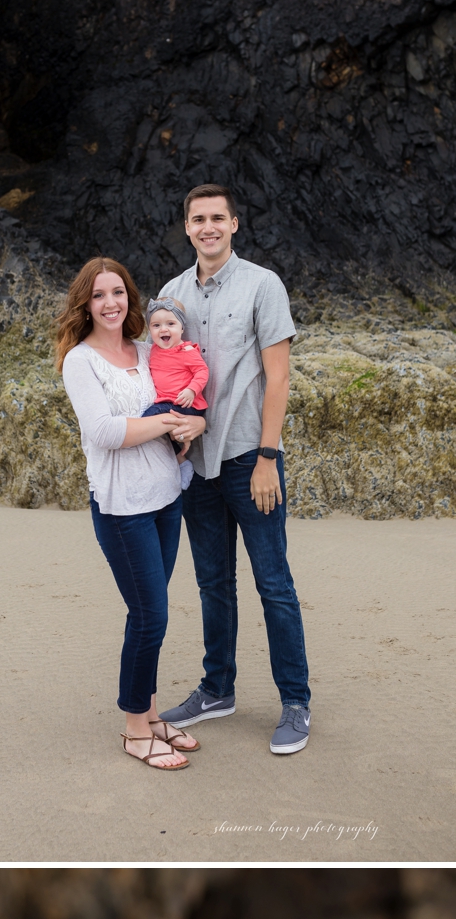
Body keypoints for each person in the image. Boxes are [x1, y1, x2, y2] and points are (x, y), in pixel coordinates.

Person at [155, 184, 313, 757]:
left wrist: (269, 457)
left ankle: (295, 702)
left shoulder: (262, 285)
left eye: (217, 218)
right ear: (187, 226)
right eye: (198, 219)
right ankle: (218, 689)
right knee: (212, 583)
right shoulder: (170, 294)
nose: (208, 227)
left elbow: (279, 377)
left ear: (235, 224)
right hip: (197, 466)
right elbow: (161, 373)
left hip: (250, 457)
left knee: (275, 585)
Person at [55, 258, 205, 772]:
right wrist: (166, 420)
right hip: (122, 508)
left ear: (131, 298)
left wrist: (192, 426)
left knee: (151, 617)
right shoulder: (81, 361)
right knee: (150, 616)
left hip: (167, 498)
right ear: (85, 305)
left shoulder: (147, 351)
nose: (111, 302)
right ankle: (135, 728)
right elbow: (103, 432)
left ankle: (151, 711)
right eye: (99, 295)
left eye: (118, 292)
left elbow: (187, 399)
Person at [142, 298, 209, 489]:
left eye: (170, 324)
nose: (163, 329)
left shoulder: (185, 350)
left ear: (181, 328)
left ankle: (137, 451)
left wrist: (191, 390)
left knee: (148, 419)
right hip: (167, 403)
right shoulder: (152, 349)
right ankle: (181, 462)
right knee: (161, 433)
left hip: (186, 405)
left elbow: (202, 371)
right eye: (156, 325)